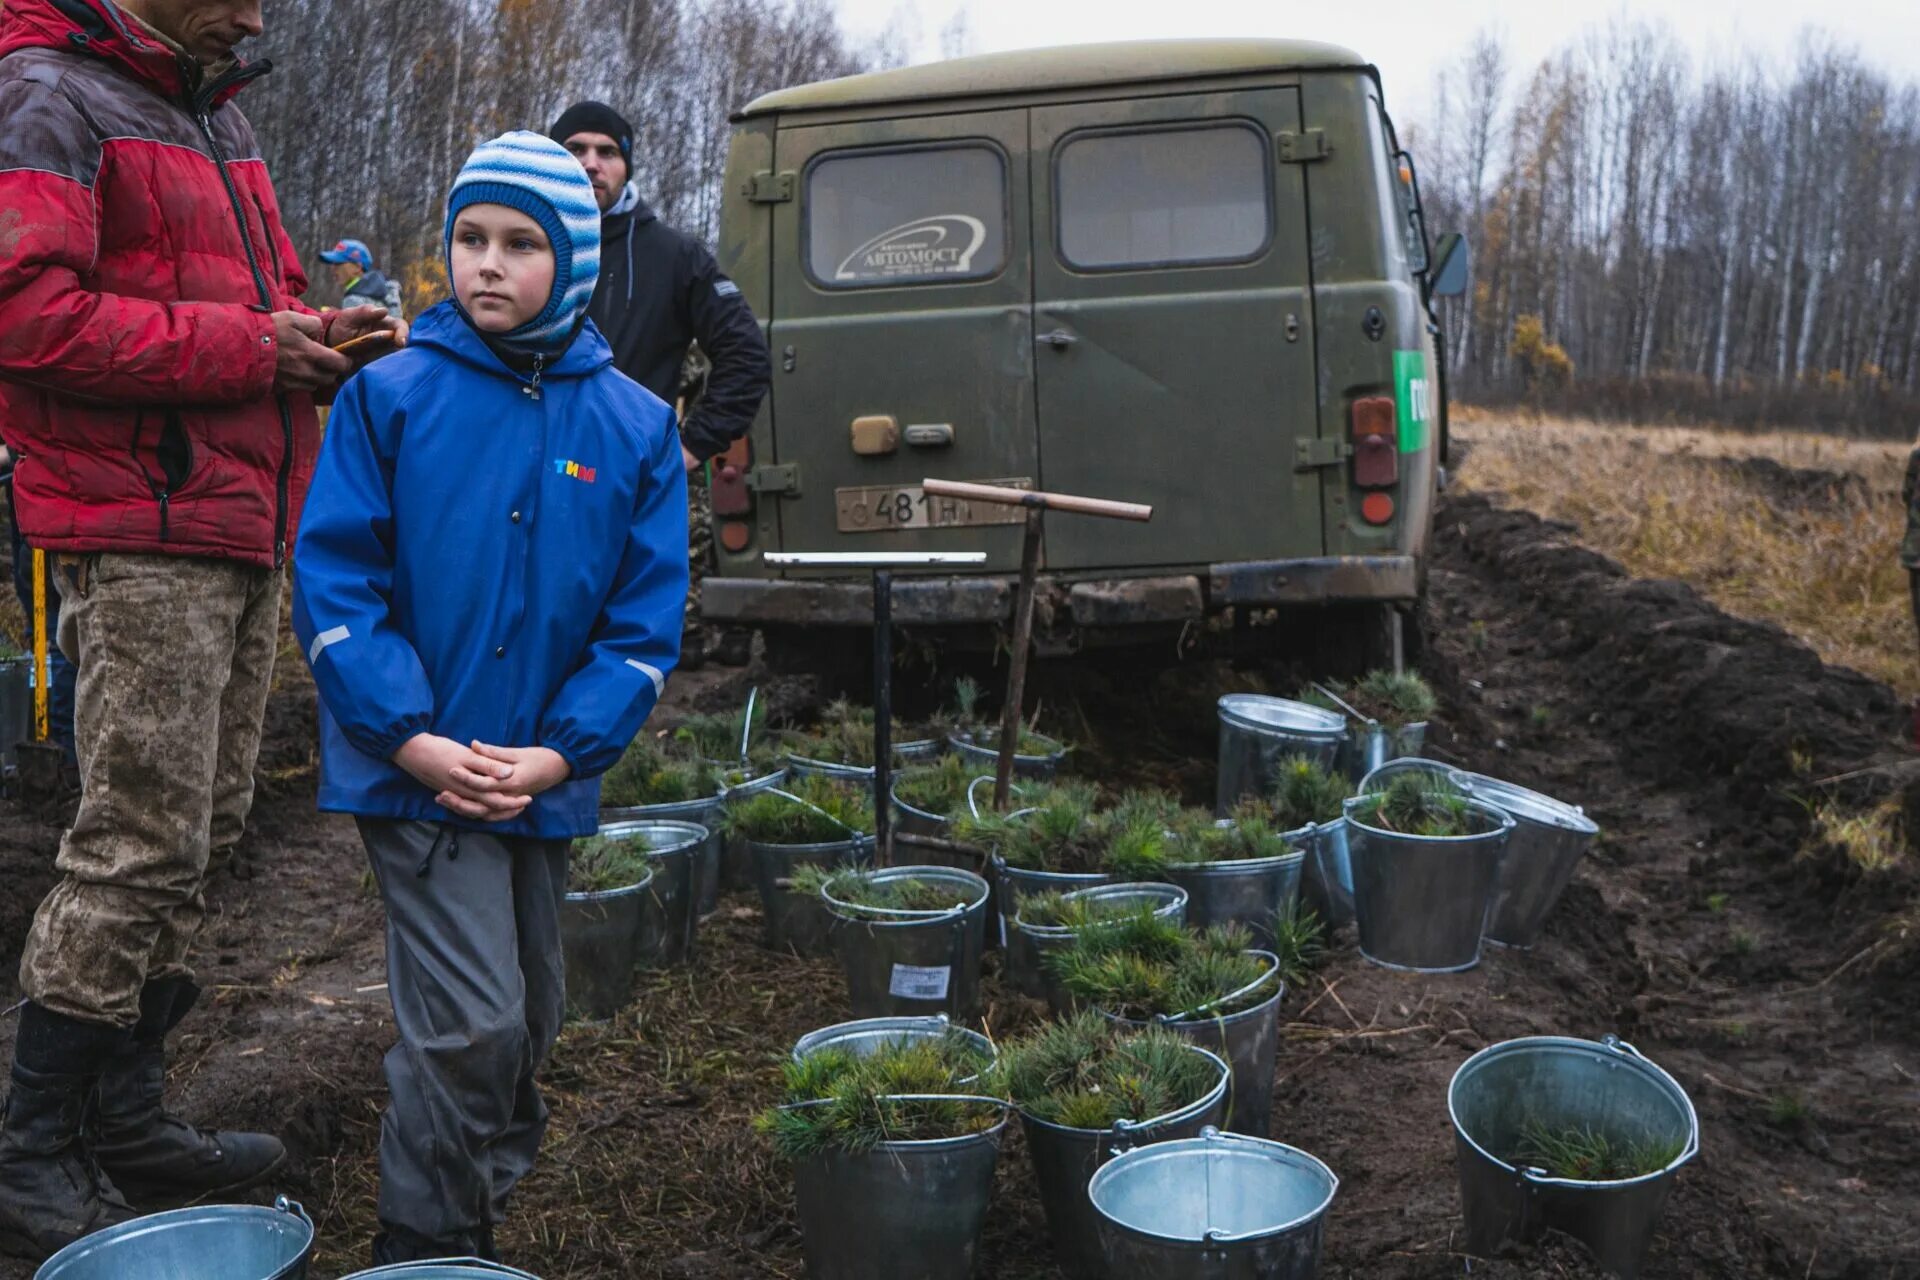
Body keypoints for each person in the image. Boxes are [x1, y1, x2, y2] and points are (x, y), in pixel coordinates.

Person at [0, 0, 402, 1260]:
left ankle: (123, 1109)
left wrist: (315, 332)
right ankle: (30, 1146)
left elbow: (253, 299)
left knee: (204, 830)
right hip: (136, 525)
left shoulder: (208, 106)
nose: (261, 11)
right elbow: (23, 314)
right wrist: (252, 348)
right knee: (134, 840)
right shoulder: (50, 97)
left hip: (234, 512)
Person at [292, 131, 688, 1265]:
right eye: (471, 238)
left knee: (526, 1025)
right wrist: (410, 735)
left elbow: (641, 625)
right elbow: (336, 583)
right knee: (471, 1018)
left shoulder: (635, 427)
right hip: (415, 774)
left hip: (538, 782)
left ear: (572, 261)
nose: (487, 264)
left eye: (521, 244)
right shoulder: (392, 398)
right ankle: (424, 1239)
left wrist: (562, 755)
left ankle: (470, 1188)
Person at [551, 101, 771, 665]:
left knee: (628, 643)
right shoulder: (522, 244)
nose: (592, 163)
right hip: (528, 472)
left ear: (626, 166)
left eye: (608, 152)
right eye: (576, 149)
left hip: (620, 476)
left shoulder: (673, 256)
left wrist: (692, 446)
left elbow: (746, 355)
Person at [319, 237, 406, 319]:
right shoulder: (381, 292)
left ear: (358, 267)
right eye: (332, 263)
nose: (333, 268)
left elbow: (355, 334)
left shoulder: (353, 299)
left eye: (338, 263)